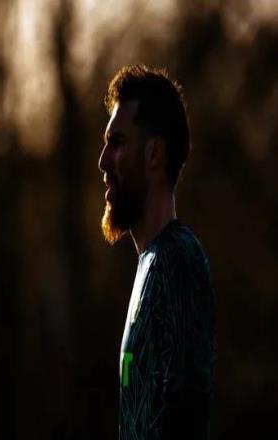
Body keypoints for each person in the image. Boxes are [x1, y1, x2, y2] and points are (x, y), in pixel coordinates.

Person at [97, 65, 216, 440]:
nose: (103, 162)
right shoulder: (151, 263)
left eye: (117, 142)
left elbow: (185, 419)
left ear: (154, 154)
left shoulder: (178, 262)